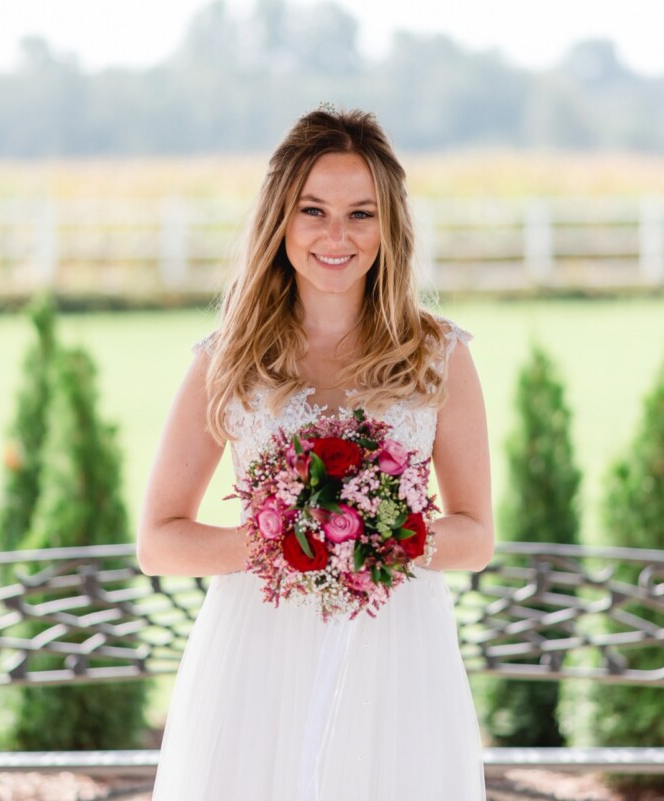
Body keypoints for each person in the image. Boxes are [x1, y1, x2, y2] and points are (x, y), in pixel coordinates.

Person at [137, 107, 493, 801]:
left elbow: (476, 534)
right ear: (281, 220)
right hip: (255, 659)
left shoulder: (438, 355)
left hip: (397, 657)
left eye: (361, 213)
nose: (337, 235)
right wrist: (281, 536)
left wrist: (378, 533)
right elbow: (159, 541)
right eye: (314, 210)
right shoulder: (227, 361)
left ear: (389, 224)